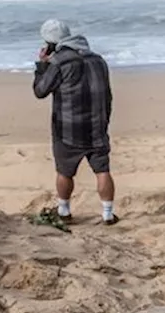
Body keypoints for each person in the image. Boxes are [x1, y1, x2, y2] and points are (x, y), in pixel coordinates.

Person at [33, 19, 118, 225]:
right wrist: (104, 120)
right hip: (97, 126)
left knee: (65, 171)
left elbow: (40, 90)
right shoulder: (98, 60)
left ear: (52, 43)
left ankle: (64, 210)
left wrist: (42, 66)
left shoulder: (59, 62)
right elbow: (108, 94)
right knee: (102, 170)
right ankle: (107, 213)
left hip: (69, 128)